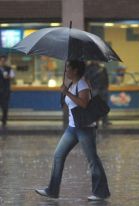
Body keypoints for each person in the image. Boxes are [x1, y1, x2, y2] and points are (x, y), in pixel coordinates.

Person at [35, 60, 110, 201]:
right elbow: (69, 105)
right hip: (72, 128)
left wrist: (67, 93)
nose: (67, 70)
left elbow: (84, 103)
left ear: (75, 70)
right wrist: (64, 93)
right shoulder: (72, 84)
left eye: (69, 68)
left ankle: (100, 192)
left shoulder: (82, 84)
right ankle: (52, 190)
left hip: (85, 129)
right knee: (58, 155)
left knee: (92, 159)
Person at [84, 61, 110, 127]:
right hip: (94, 88)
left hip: (103, 88)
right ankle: (95, 122)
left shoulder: (103, 67)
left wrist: (106, 87)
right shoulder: (88, 67)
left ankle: (105, 121)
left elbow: (106, 78)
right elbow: (87, 77)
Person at [0, 54, 15, 128]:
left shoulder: (8, 68)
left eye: (4, 60)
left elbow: (12, 76)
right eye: (1, 60)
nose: (2, 62)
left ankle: (4, 121)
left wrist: (8, 77)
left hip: (5, 90)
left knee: (5, 107)